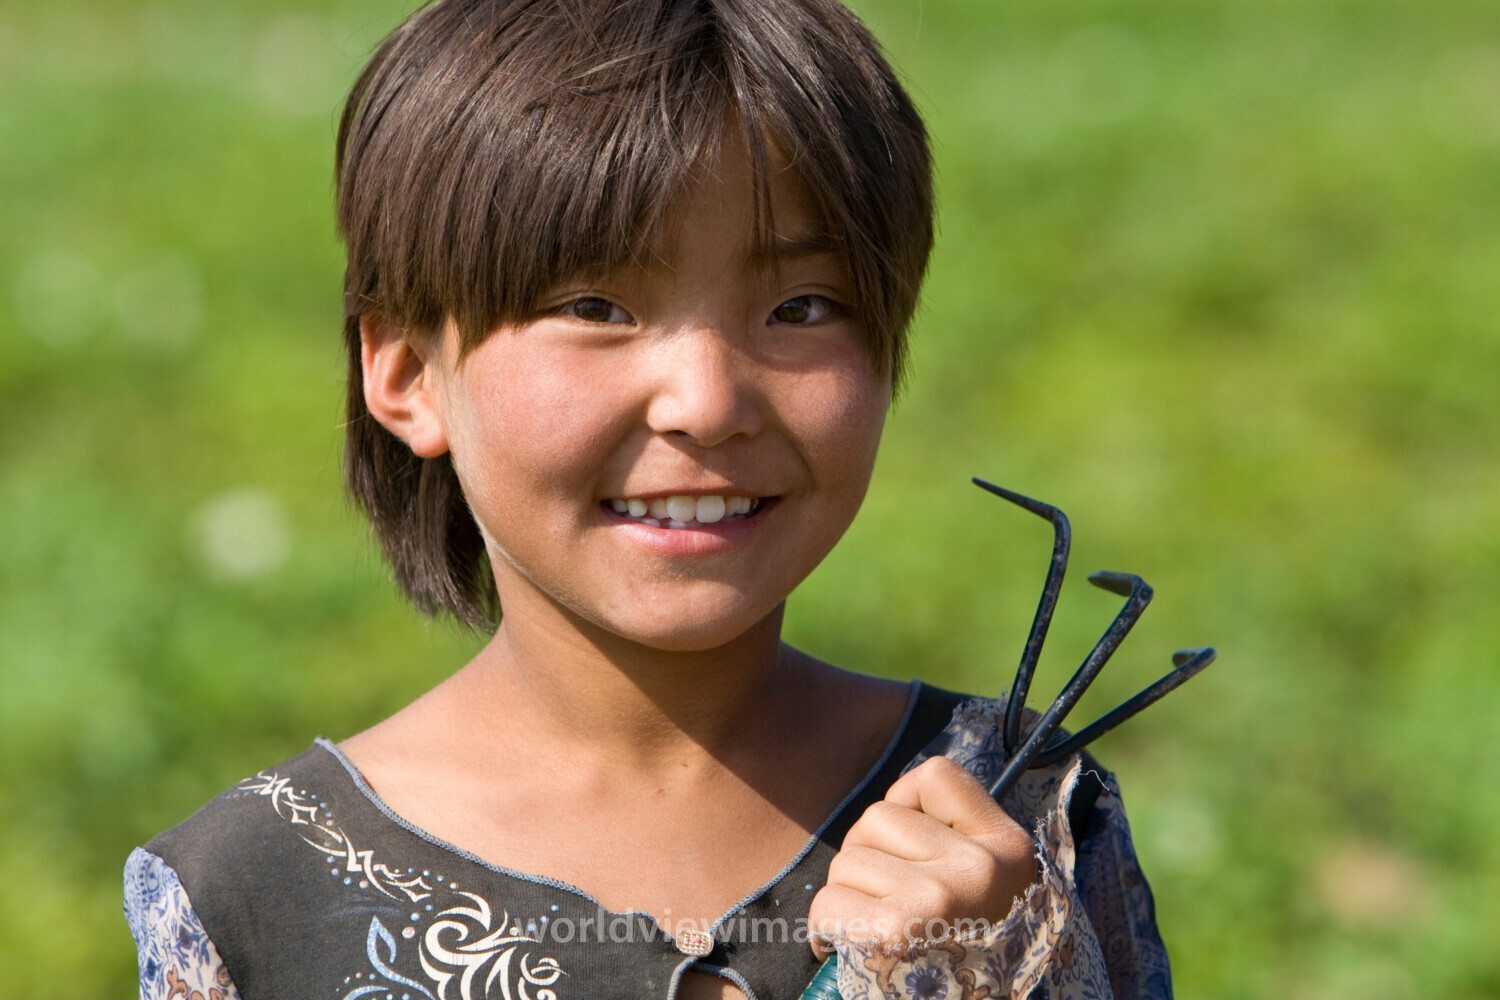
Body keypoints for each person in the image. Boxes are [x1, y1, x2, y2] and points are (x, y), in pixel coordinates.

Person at [124, 1, 1171, 997]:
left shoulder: (1015, 818)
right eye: (596, 306)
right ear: (405, 371)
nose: (707, 403)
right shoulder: (251, 897)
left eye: (801, 307)